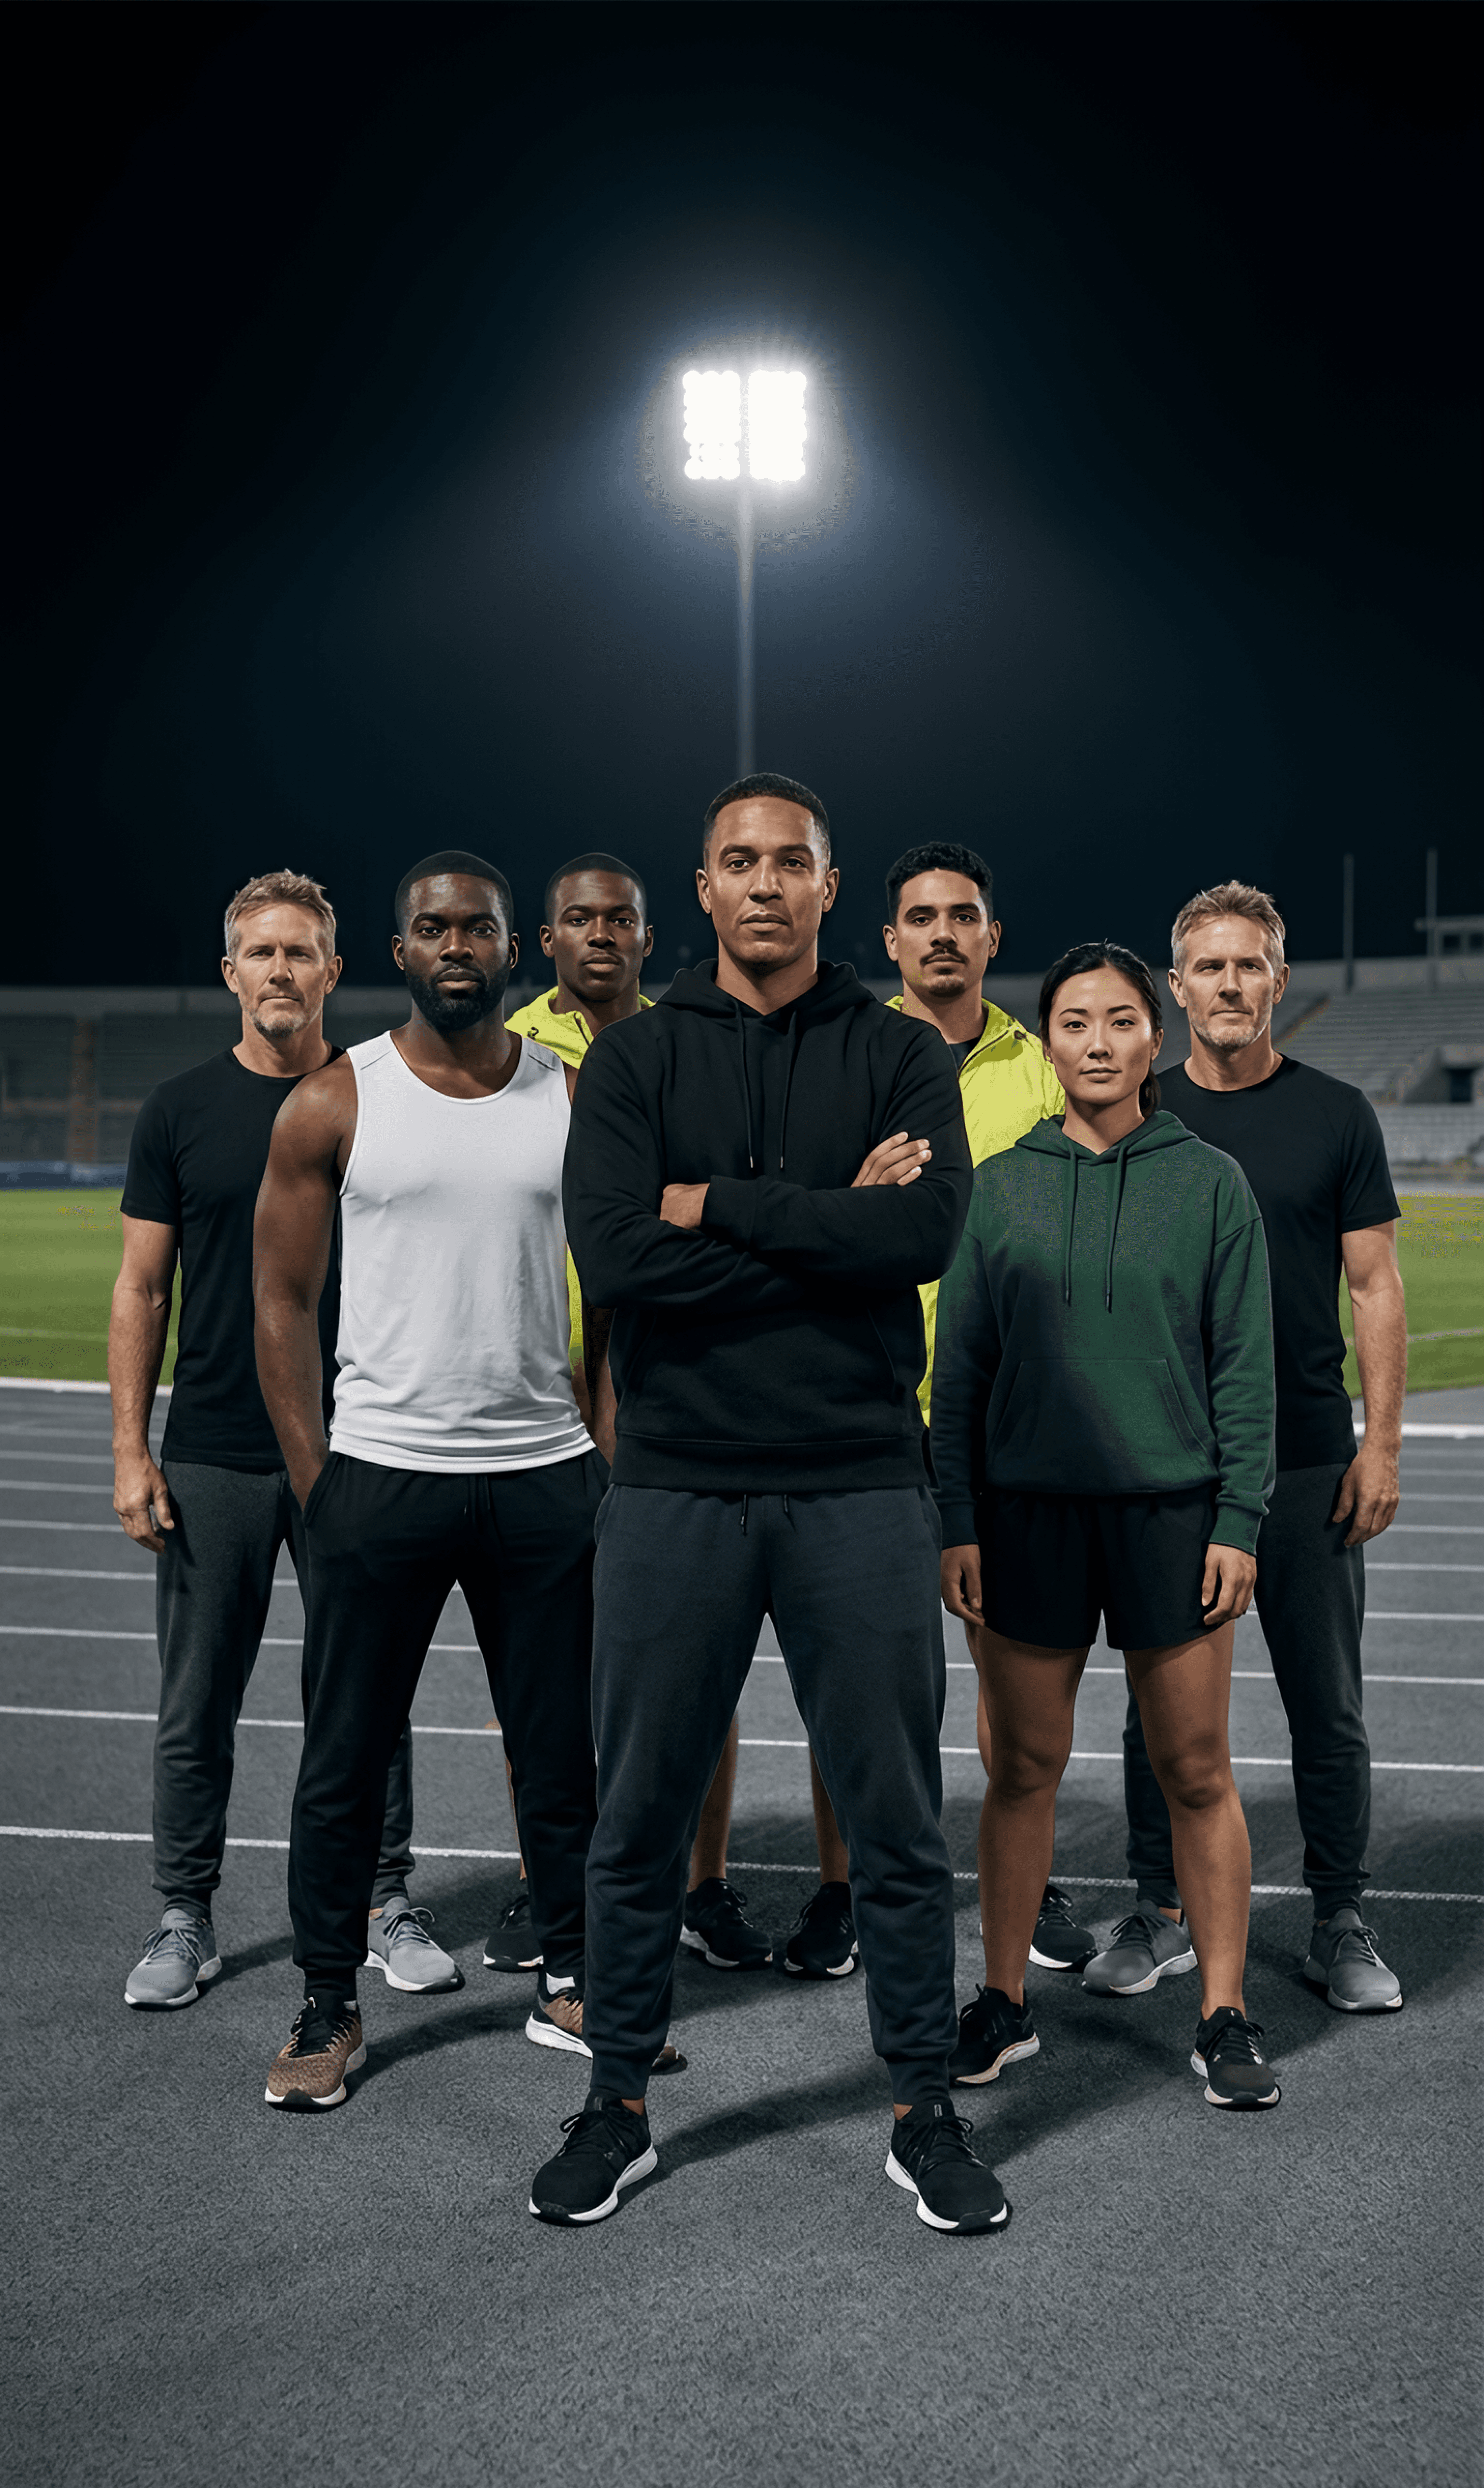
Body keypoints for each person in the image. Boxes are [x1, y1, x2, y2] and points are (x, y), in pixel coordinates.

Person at [530, 770, 1011, 2234]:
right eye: (737, 859)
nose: (761, 883)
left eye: (788, 861)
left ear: (823, 886)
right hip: (674, 1479)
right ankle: (617, 2098)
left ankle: (922, 2104)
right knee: (639, 1816)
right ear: (705, 885)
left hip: (862, 1477)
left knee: (899, 1817)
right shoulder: (634, 1062)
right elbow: (618, 1263)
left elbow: (922, 1230)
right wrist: (825, 1224)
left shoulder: (895, 1051)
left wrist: (717, 1204)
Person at [252, 850, 613, 2108]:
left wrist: (601, 1446)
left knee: (562, 1750)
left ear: (516, 947)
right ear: (401, 948)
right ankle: (325, 1999)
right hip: (384, 1478)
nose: (455, 943)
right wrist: (320, 1478)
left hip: (541, 1478)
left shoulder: (570, 1096)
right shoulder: (333, 1098)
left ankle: (574, 1973)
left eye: (478, 926)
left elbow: (616, 1291)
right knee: (343, 1756)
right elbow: (280, 1300)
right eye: (431, 926)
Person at [935, 940, 1283, 2110]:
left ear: (1154, 1037)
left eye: (1121, 1021)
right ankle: (1001, 1998)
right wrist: (957, 1518)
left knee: (1195, 1767)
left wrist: (1238, 1517)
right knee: (1022, 1767)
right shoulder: (999, 1180)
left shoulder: (1211, 1181)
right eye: (1075, 1022)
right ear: (1052, 1042)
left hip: (1170, 1515)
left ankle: (1224, 2011)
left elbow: (1245, 1367)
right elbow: (962, 1369)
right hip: (1027, 1514)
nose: (1097, 1042)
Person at [110, 870, 450, 2010]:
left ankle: (383, 1901)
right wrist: (128, 1447)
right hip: (211, 1450)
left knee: (366, 1692)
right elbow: (142, 1289)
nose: (281, 971)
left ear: (333, 969)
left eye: (301, 952)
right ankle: (185, 1914)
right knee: (197, 1699)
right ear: (231, 973)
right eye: (261, 953)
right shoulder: (177, 1112)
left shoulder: (381, 1098)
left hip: (357, 1444)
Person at [1094, 884, 1405, 2013]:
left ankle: (1338, 1916)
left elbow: (1374, 1287)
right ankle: (1159, 1908)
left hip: (1311, 1457)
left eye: (1249, 966)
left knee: (1327, 1703)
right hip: (1171, 1468)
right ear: (1176, 989)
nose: (1229, 985)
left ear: (1278, 979)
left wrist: (1383, 1446)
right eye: (1208, 968)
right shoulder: (1136, 1110)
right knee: (1158, 1707)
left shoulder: (1336, 1113)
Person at [501, 854, 771, 1976]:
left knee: (697, 1666)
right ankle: (540, 1884)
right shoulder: (498, 1055)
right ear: (547, 940)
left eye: (621, 919)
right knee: (546, 1675)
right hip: (525, 1406)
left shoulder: (685, 1047)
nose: (601, 934)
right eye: (579, 918)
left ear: (651, 938)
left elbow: (698, 1227)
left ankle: (702, 1884)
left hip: (660, 1390)